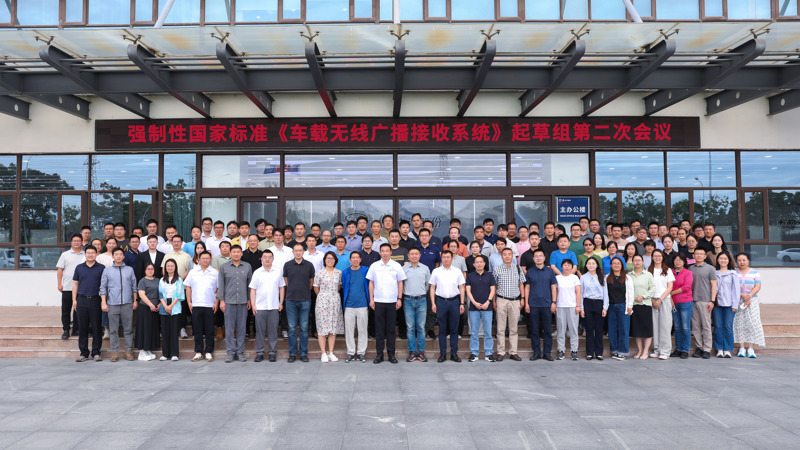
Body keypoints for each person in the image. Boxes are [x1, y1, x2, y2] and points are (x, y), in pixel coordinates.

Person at [367, 243, 406, 364]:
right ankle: (379, 355)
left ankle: (391, 354)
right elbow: (371, 283)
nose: (385, 253)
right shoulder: (374, 266)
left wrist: (399, 298)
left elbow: (400, 283)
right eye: (382, 251)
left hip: (392, 302)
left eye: (387, 251)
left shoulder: (396, 266)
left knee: (391, 330)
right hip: (378, 302)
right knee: (379, 330)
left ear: (390, 252)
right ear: (380, 252)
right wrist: (371, 299)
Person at [100, 248, 138, 362]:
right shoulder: (107, 270)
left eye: (120, 254)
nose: (118, 256)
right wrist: (103, 302)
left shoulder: (129, 270)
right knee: (113, 329)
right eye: (116, 254)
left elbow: (134, 286)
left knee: (128, 329)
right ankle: (114, 352)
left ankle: (128, 351)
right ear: (113, 256)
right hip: (112, 303)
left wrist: (135, 300)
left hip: (127, 303)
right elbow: (103, 287)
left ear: (123, 256)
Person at [218, 245, 253, 363]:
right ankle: (230, 352)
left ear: (241, 253)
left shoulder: (247, 266)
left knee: (242, 328)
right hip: (228, 302)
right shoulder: (224, 267)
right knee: (229, 328)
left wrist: (249, 299)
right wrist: (221, 300)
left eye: (238, 252)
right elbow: (221, 285)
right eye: (234, 252)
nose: (236, 254)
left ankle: (240, 352)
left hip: (243, 301)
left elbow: (250, 284)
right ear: (230, 253)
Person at [249, 250, 286, 363]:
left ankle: (272, 353)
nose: (267, 259)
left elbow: (281, 287)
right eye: (265, 257)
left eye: (270, 257)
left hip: (274, 306)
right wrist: (253, 305)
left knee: (273, 331)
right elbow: (253, 290)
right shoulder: (257, 272)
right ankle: (260, 353)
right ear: (261, 259)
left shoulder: (278, 271)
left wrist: (281, 302)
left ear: (273, 259)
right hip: (260, 307)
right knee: (260, 332)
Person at [430, 250, 466, 363]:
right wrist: (433, 303)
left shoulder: (457, 271)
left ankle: (454, 353)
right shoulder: (436, 271)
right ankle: (443, 354)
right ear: (441, 258)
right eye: (444, 257)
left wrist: (462, 303)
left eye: (448, 257)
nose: (446, 259)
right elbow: (432, 287)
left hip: (454, 302)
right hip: (441, 302)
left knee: (454, 329)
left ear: (452, 258)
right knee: (442, 329)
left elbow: (462, 287)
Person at [283, 243, 316, 363]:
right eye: (296, 250)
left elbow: (311, 281)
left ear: (303, 252)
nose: (298, 252)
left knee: (304, 328)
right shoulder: (287, 265)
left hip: (305, 300)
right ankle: (292, 353)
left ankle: (303, 353)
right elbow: (286, 280)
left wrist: (304, 290)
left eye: (300, 250)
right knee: (292, 328)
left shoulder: (309, 265)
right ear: (293, 252)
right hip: (290, 299)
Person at [72, 245, 105, 362]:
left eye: (93, 253)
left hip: (96, 300)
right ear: (85, 254)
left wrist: (103, 301)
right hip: (82, 300)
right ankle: (84, 353)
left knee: (96, 327)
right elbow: (75, 284)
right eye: (88, 253)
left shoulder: (101, 268)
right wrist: (74, 300)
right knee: (82, 328)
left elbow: (104, 285)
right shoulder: (79, 268)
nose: (90, 255)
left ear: (96, 254)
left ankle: (96, 353)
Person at [185, 251, 219, 362]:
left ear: (211, 259)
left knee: (209, 330)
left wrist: (217, 303)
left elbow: (218, 289)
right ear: (198, 259)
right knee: (197, 330)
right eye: (203, 258)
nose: (205, 260)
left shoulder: (215, 272)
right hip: (196, 304)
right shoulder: (193, 272)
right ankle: (198, 352)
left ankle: (209, 351)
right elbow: (188, 287)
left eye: (207, 258)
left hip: (210, 305)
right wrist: (189, 302)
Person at [524, 249, 557, 361]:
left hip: (547, 305)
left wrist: (554, 302)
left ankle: (547, 353)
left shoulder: (550, 271)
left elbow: (553, 287)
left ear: (544, 258)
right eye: (536, 256)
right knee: (534, 330)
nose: (538, 258)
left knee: (547, 330)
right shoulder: (530, 272)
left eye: (540, 256)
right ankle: (536, 352)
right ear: (533, 259)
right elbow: (527, 287)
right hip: (533, 305)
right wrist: (526, 303)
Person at [493, 247, 525, 361]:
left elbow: (521, 284)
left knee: (513, 328)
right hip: (501, 299)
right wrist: (493, 301)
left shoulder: (518, 268)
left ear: (512, 256)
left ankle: (513, 352)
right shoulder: (497, 269)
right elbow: (494, 286)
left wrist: (523, 299)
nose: (507, 256)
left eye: (509, 254)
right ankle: (500, 352)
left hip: (515, 301)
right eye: (505, 254)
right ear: (502, 257)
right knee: (500, 328)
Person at [314, 252, 345, 362]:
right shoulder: (320, 273)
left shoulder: (339, 273)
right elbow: (316, 288)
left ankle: (331, 352)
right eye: (328, 258)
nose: (330, 260)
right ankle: (323, 353)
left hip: (335, 301)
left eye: (332, 258)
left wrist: (332, 296)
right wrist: (324, 297)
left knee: (333, 327)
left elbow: (339, 286)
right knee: (322, 328)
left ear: (335, 260)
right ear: (324, 260)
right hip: (322, 301)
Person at [733, 253, 765, 358]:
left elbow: (758, 286)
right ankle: (741, 348)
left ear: (748, 261)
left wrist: (749, 296)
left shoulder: (754, 272)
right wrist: (741, 295)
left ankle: (751, 348)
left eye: (744, 260)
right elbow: (732, 286)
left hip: (752, 301)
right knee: (739, 323)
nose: (741, 262)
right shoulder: (734, 272)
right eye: (739, 260)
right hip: (738, 300)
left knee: (753, 323)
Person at [402, 247, 431, 362]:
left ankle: (421, 351)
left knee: (421, 327)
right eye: (412, 254)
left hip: (421, 300)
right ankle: (412, 351)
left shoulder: (425, 268)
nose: (414, 256)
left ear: (419, 256)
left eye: (416, 254)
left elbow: (428, 284)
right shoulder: (403, 269)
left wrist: (421, 292)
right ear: (408, 256)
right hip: (408, 300)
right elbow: (401, 284)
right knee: (410, 327)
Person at [466, 255, 496, 362]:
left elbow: (493, 290)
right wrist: (474, 303)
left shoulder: (489, 276)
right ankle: (474, 353)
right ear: (474, 264)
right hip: (474, 307)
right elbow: (468, 291)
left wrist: (488, 301)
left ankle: (489, 353)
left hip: (487, 307)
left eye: (481, 262)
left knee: (488, 331)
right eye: (477, 262)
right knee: (474, 331)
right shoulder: (470, 276)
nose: (479, 264)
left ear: (484, 263)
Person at [689, 247, 717, 359]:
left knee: (706, 326)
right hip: (692, 300)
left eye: (701, 254)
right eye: (697, 254)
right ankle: (699, 347)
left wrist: (712, 300)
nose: (699, 256)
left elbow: (714, 285)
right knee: (695, 326)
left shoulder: (710, 268)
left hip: (705, 300)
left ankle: (707, 349)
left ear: (705, 256)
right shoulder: (690, 268)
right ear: (693, 256)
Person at [342, 252, 369, 363]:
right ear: (350, 260)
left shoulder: (366, 270)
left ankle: (361, 352)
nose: (355, 260)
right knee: (349, 330)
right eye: (353, 258)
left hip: (362, 305)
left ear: (360, 259)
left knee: (363, 330)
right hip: (349, 305)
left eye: (357, 258)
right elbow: (344, 286)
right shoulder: (345, 272)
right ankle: (351, 352)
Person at [648, 250, 675, 360]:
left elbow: (670, 287)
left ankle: (665, 351)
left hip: (664, 300)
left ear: (663, 257)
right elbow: (647, 287)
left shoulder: (667, 270)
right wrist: (652, 300)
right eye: (655, 256)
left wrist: (660, 299)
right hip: (652, 300)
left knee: (665, 325)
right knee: (655, 326)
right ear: (652, 257)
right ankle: (657, 349)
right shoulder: (649, 270)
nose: (657, 258)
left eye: (659, 256)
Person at [57, 234, 85, 339]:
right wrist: (59, 283)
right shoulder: (65, 255)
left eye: (78, 241)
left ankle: (76, 330)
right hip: (67, 286)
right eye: (74, 241)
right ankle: (66, 330)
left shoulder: (85, 255)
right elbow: (60, 270)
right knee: (66, 310)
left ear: (82, 242)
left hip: (81, 288)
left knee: (78, 310)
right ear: (71, 242)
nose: (76, 242)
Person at [580, 257, 608, 360]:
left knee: (599, 329)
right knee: (589, 329)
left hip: (599, 303)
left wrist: (605, 308)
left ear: (597, 265)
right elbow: (581, 294)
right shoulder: (583, 277)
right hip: (587, 303)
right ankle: (590, 353)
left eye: (593, 263)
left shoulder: (602, 277)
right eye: (589, 263)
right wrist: (582, 308)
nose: (591, 265)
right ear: (586, 266)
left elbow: (606, 294)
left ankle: (599, 353)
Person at [628, 254, 655, 360]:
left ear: (643, 262)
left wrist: (643, 296)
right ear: (632, 262)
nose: (637, 262)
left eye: (639, 260)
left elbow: (653, 288)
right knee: (637, 330)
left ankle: (646, 351)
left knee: (647, 329)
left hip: (645, 304)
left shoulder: (648, 275)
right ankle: (639, 350)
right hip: (634, 305)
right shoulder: (629, 275)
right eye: (635, 260)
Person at [607, 257, 634, 360]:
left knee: (623, 329)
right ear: (611, 265)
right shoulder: (607, 277)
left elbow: (631, 292)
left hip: (623, 305)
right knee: (612, 329)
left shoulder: (627, 278)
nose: (616, 265)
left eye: (618, 263)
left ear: (622, 265)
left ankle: (623, 351)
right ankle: (614, 350)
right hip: (611, 306)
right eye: (614, 263)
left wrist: (630, 305)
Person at [554, 259, 581, 361]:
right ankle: (561, 350)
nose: (567, 267)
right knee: (561, 329)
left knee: (573, 329)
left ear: (572, 267)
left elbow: (578, 293)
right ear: (561, 267)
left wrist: (578, 306)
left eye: (569, 265)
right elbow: (555, 292)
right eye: (565, 265)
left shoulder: (575, 278)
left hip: (572, 306)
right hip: (560, 306)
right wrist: (554, 304)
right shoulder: (557, 278)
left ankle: (574, 351)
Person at [713, 252, 739, 358]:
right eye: (721, 258)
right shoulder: (714, 272)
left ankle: (728, 349)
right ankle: (719, 349)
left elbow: (736, 290)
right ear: (717, 260)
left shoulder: (733, 273)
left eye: (725, 259)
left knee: (728, 326)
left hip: (729, 304)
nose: (723, 260)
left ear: (729, 260)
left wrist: (735, 305)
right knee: (718, 326)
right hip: (717, 304)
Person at [158, 259, 184, 361]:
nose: (170, 268)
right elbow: (160, 294)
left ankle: (174, 353)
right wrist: (166, 306)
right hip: (164, 305)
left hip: (175, 305)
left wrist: (171, 306)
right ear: (165, 268)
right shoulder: (162, 280)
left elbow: (179, 294)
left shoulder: (179, 279)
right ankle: (165, 354)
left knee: (174, 330)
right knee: (165, 331)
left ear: (175, 267)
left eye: (172, 266)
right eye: (168, 266)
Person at [135, 263, 161, 361]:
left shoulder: (158, 280)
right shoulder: (142, 281)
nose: (150, 271)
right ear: (145, 270)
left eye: (152, 269)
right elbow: (141, 295)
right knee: (145, 329)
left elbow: (161, 293)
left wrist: (159, 304)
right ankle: (143, 350)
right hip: (145, 307)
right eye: (148, 269)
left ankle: (148, 349)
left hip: (156, 308)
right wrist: (150, 305)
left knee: (152, 329)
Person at [670, 253, 694, 359]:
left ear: (684, 262)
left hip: (685, 302)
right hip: (673, 303)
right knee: (677, 327)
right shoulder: (670, 272)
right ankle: (678, 348)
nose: (678, 262)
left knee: (685, 327)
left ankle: (685, 349)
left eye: (680, 260)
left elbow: (686, 287)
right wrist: (671, 297)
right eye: (676, 260)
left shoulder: (688, 273)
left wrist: (672, 292)